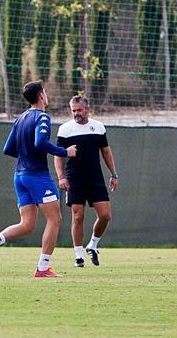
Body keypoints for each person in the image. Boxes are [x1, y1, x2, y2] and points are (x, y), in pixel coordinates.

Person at [0, 81, 77, 278]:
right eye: (45, 92)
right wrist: (65, 151)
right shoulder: (42, 117)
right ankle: (42, 268)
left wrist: (27, 156)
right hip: (37, 176)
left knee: (27, 224)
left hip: (20, 176)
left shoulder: (20, 118)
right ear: (41, 95)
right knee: (55, 219)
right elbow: (40, 143)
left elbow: (8, 149)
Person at [55, 95, 117, 268]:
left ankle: (93, 245)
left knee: (105, 215)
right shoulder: (65, 129)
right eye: (73, 110)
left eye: (79, 110)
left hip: (95, 177)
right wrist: (61, 178)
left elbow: (106, 152)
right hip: (74, 178)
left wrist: (114, 174)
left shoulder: (98, 127)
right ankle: (78, 256)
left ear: (87, 109)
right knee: (78, 215)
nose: (76, 113)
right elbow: (58, 157)